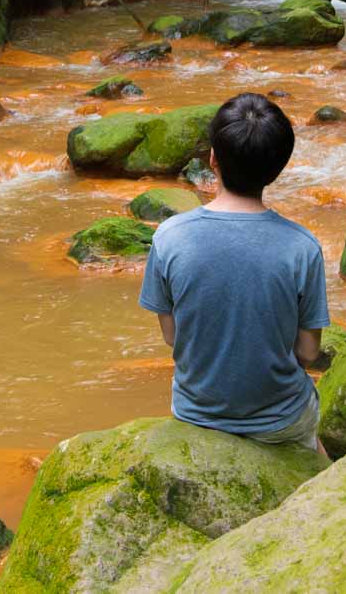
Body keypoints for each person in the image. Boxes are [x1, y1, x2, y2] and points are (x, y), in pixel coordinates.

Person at [138, 92, 330, 457]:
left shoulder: (170, 236)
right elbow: (307, 350)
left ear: (212, 159)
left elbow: (171, 336)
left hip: (197, 413)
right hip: (279, 420)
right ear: (278, 170)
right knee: (315, 448)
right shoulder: (302, 247)